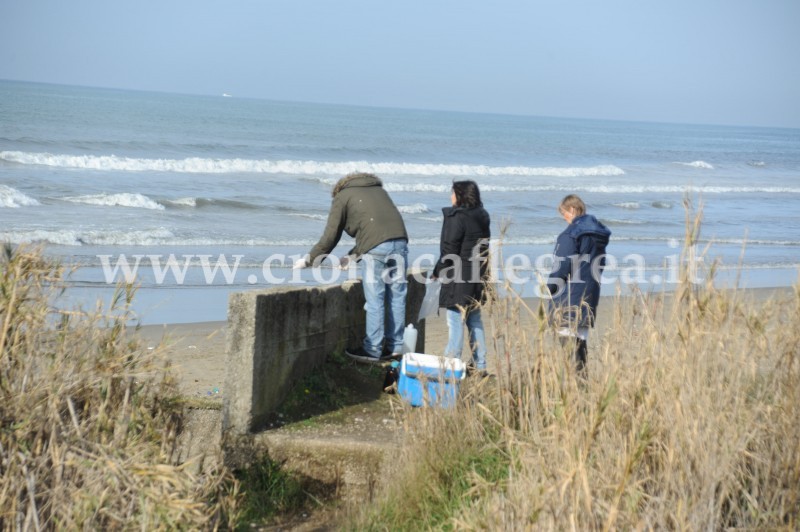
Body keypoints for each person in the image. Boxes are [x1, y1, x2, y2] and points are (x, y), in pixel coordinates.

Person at [294, 172, 409, 364]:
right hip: (401, 242)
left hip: (376, 249)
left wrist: (309, 260)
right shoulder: (379, 190)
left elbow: (331, 236)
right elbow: (377, 231)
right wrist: (353, 256)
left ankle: (372, 349)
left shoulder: (342, 196)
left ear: (338, 188)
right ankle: (396, 346)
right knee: (397, 297)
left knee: (375, 299)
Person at [546, 194, 611, 376]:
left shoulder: (570, 235)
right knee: (580, 348)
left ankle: (574, 393)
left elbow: (562, 267)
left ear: (573, 210)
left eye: (564, 213)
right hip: (589, 295)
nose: (564, 218)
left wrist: (549, 288)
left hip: (569, 297)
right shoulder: (598, 237)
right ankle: (582, 392)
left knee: (568, 348)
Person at [431, 180, 491, 376]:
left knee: (455, 320)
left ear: (461, 195)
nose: (451, 197)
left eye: (453, 193)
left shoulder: (457, 217)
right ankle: (480, 364)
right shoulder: (482, 215)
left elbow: (450, 250)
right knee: (474, 320)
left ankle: (452, 362)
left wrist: (438, 270)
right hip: (477, 275)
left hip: (459, 276)